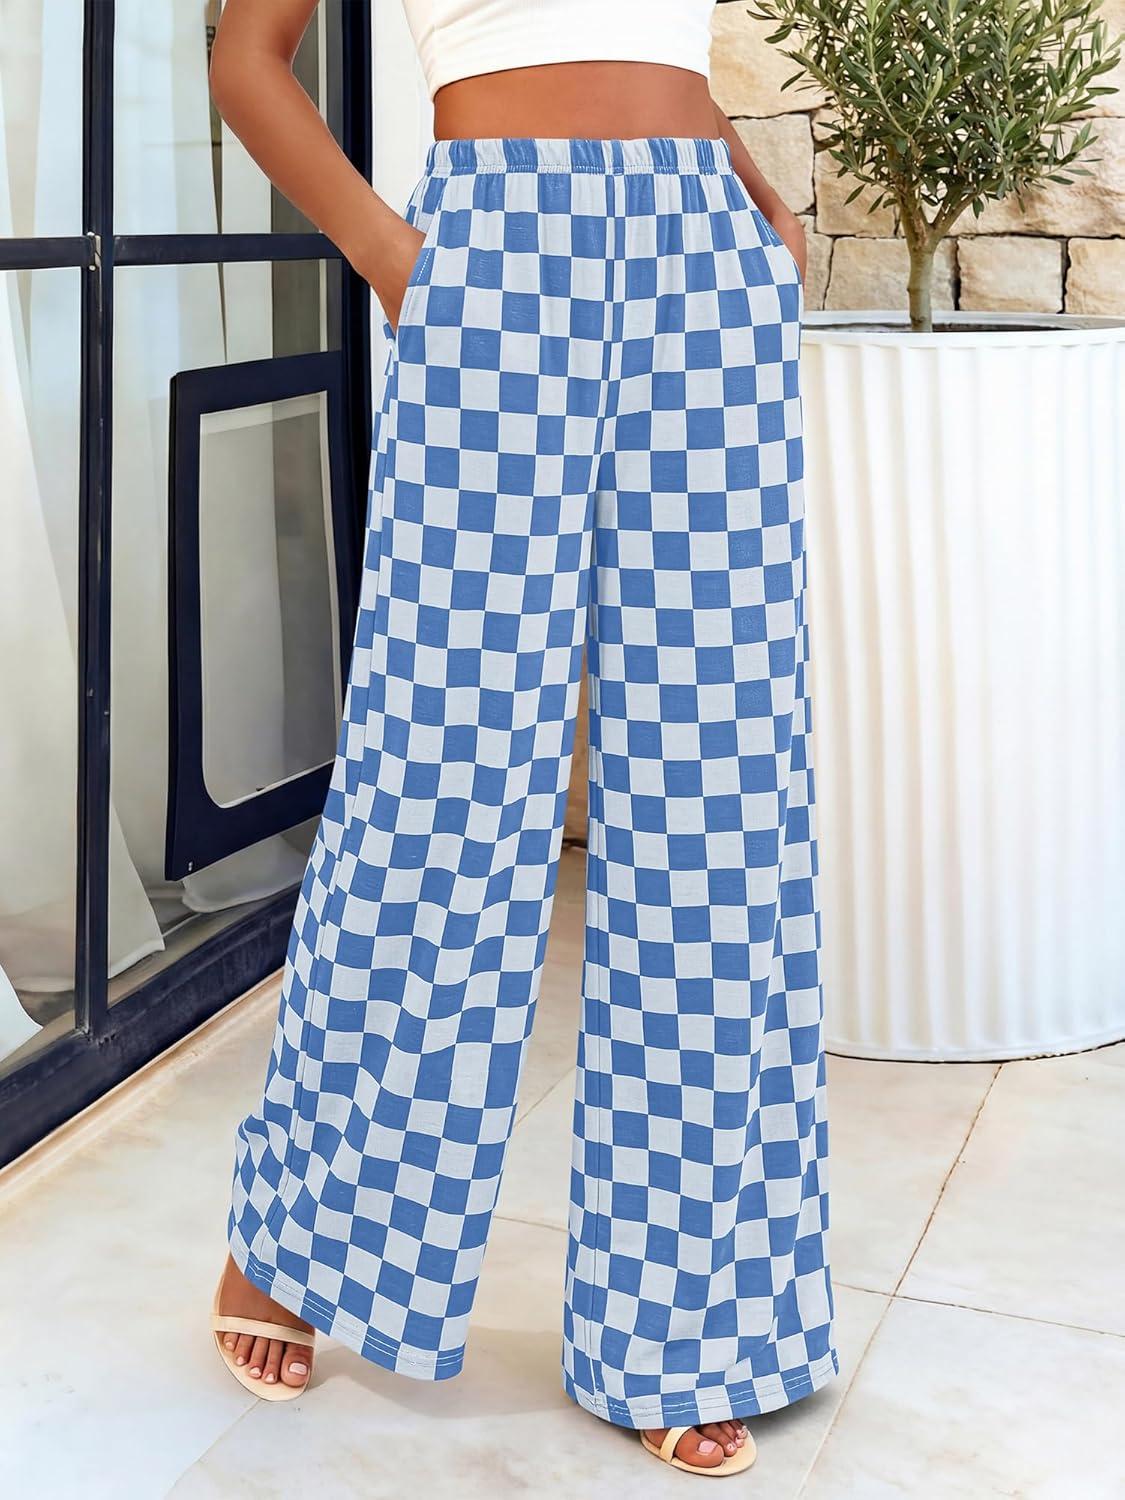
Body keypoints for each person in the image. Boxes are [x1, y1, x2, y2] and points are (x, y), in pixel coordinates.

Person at [207, 0, 834, 1476]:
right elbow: (244, 57)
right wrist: (394, 257)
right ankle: (298, 1242)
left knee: (720, 794)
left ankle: (690, 1322)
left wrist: (748, 192)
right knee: (439, 784)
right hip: (497, 254)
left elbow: (652, 54)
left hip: (703, 268)